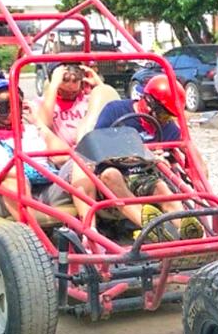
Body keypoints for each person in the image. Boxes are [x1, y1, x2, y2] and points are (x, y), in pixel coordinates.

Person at [69, 74, 203, 242]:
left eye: (169, 117)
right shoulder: (115, 110)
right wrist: (141, 154)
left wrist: (168, 157)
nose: (164, 121)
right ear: (148, 102)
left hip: (143, 173)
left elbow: (187, 152)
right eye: (163, 115)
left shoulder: (167, 126)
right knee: (112, 175)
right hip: (113, 172)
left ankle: (188, 231)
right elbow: (98, 146)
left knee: (161, 187)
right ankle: (151, 227)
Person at [0, 80, 75, 222]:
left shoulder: (33, 130)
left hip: (44, 190)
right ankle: (34, 237)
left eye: (14, 103)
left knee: (79, 164)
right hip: (1, 197)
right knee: (13, 175)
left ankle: (92, 232)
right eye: (1, 105)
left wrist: (39, 122)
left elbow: (64, 157)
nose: (9, 110)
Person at [36, 62, 116, 146]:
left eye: (74, 92)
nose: (69, 95)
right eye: (63, 91)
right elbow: (45, 124)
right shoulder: (43, 103)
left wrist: (99, 84)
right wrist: (53, 85)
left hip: (89, 152)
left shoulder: (88, 100)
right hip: (62, 155)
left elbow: (113, 111)